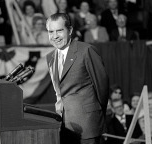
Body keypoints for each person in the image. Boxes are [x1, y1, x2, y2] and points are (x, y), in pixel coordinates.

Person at [46, 13, 109, 144]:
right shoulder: (50, 57)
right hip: (64, 126)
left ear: (70, 30)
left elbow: (102, 87)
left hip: (88, 124)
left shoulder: (86, 50)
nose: (55, 36)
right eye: (51, 32)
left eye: (59, 30)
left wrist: (94, 113)